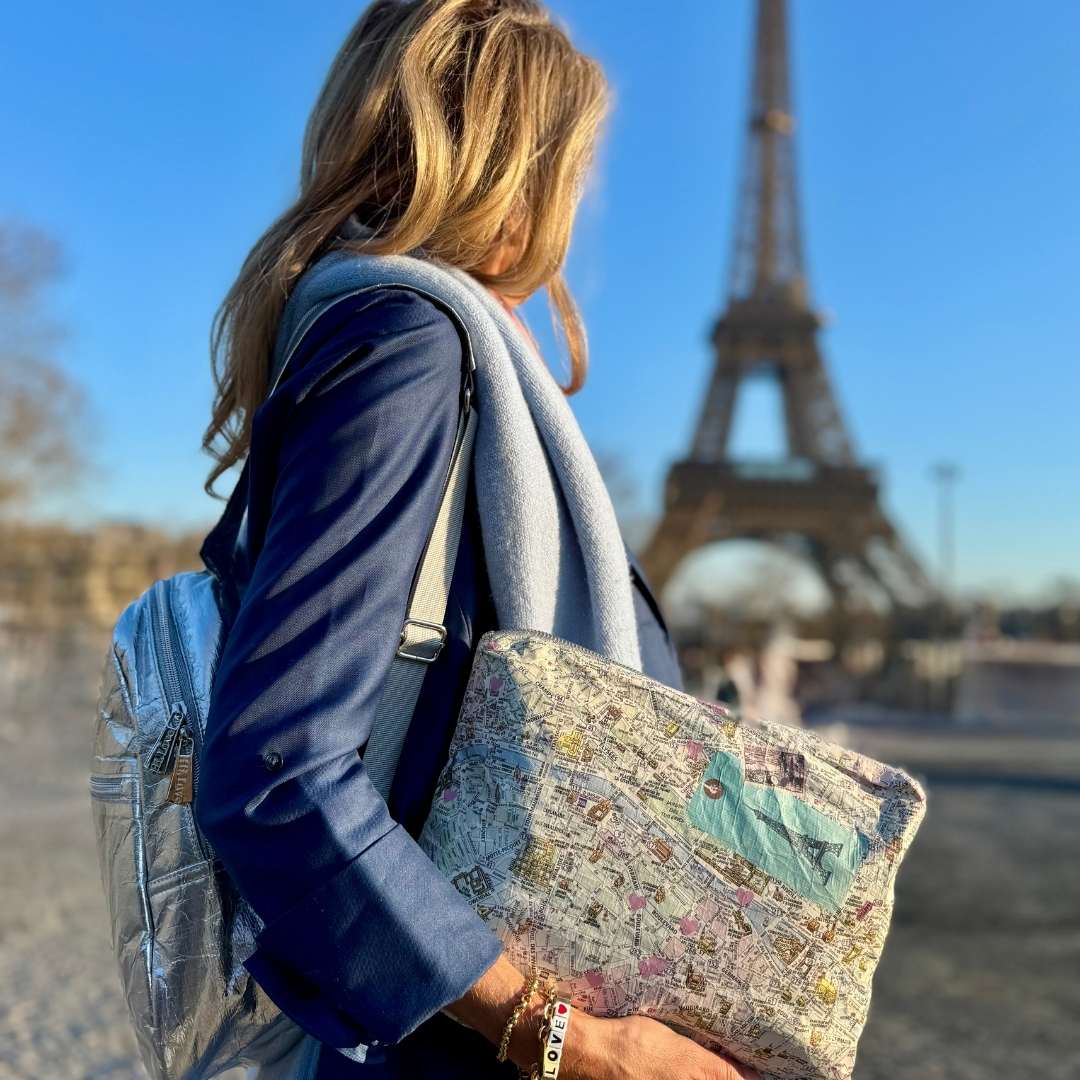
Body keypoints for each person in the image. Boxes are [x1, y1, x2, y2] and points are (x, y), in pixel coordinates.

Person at [195, 2, 757, 1078]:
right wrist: (563, 1038)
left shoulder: (401, 348)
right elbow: (276, 771)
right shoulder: (408, 349)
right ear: (521, 169)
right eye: (573, 170)